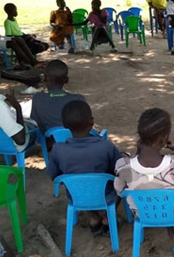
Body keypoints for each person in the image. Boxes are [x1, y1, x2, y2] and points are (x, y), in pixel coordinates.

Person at [114, 108, 174, 228]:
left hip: (142, 214)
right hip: (173, 213)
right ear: (165, 139)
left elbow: (119, 190)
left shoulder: (123, 166)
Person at [46, 100, 122, 236]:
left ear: (64, 125)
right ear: (91, 122)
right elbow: (118, 172)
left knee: (79, 183)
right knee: (122, 182)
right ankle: (107, 219)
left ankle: (93, 218)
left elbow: (54, 176)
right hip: (106, 196)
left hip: (77, 196)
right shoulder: (106, 146)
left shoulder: (57, 149)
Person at [30, 60, 85, 134]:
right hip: (76, 143)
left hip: (51, 143)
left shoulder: (38, 98)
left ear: (45, 79)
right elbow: (84, 126)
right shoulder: (79, 100)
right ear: (66, 80)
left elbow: (36, 125)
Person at [3, 3, 47, 67]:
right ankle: (32, 61)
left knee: (44, 45)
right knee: (37, 46)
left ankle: (31, 60)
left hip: (21, 37)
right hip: (18, 39)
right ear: (10, 12)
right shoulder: (7, 22)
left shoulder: (14, 20)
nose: (16, 12)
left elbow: (18, 31)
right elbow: (9, 35)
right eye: (15, 10)